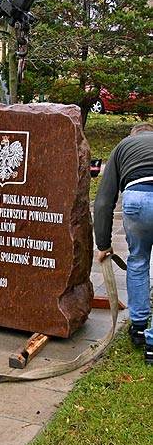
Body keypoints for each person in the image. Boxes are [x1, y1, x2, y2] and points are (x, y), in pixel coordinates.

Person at [93, 122, 153, 365]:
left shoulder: (122, 147)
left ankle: (138, 327)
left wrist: (104, 244)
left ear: (133, 135)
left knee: (138, 260)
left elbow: (104, 201)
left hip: (136, 199)